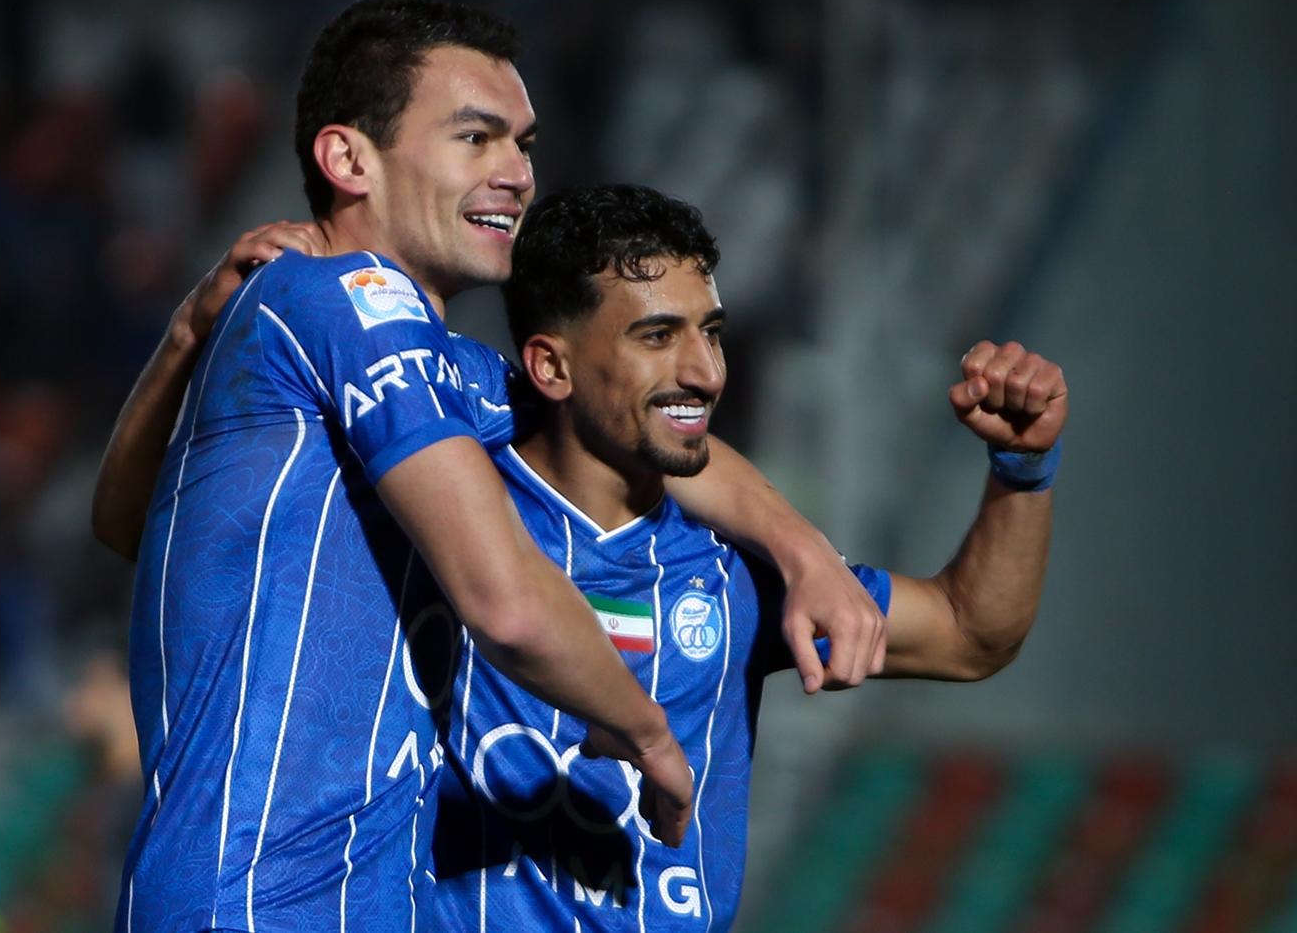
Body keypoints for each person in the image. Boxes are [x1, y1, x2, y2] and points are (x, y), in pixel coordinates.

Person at [94, 0, 888, 933]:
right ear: (349, 160)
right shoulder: (349, 299)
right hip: (256, 904)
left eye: (522, 143)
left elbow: (635, 428)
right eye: (476, 138)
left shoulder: (439, 373)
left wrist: (803, 551)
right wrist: (650, 738)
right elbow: (506, 603)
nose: (517, 173)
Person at [427, 183, 1063, 930]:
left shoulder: (730, 568)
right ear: (551, 367)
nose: (706, 372)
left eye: (711, 332)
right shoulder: (435, 515)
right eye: (657, 336)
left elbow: (969, 634)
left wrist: (1023, 468)